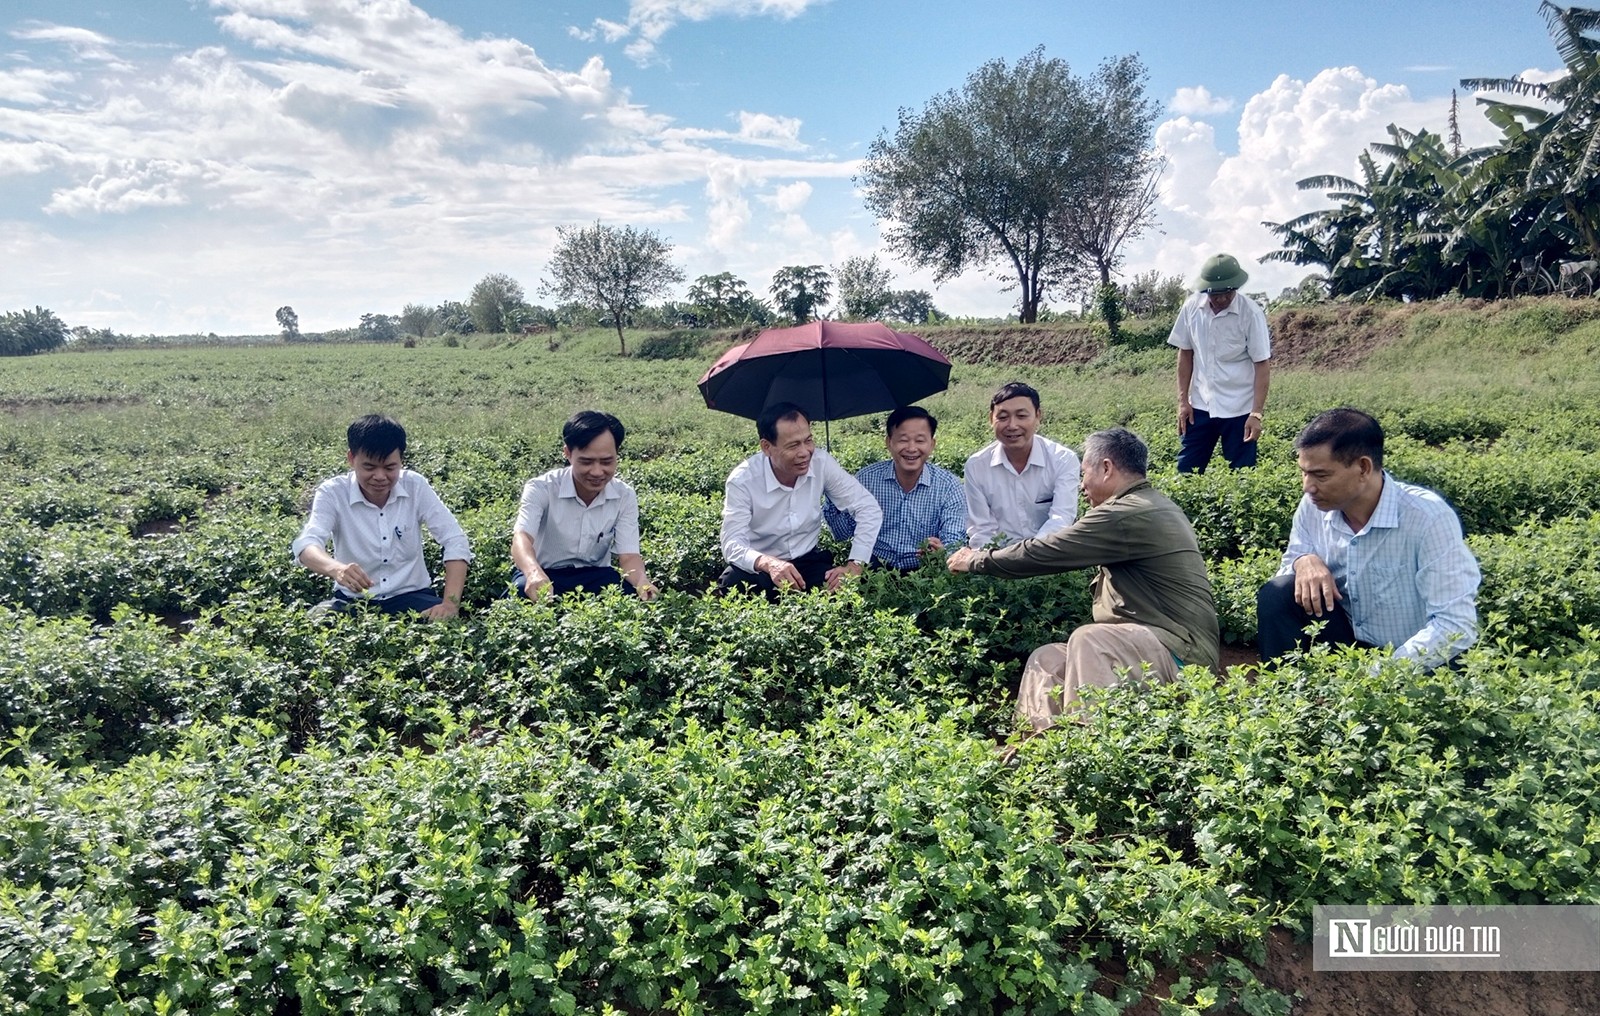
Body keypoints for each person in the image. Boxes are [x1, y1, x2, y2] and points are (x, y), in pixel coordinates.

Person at [948, 427, 1219, 728]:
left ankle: (1090, 750)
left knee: (1090, 639)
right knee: (1047, 659)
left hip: (1181, 655)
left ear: (1106, 468)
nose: (1081, 485)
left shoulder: (1125, 513)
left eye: (1084, 473)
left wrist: (978, 560)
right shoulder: (1144, 505)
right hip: (1148, 646)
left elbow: (1046, 552)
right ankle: (1041, 750)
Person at [1256, 408, 1479, 670]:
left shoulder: (1427, 518)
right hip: (1347, 644)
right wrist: (1303, 561)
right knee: (1278, 594)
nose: (1308, 486)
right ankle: (1283, 697)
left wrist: (1381, 674)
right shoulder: (1313, 506)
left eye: (1321, 475)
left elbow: (1455, 624)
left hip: (1414, 656)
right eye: (1304, 473)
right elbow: (1291, 564)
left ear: (1363, 468)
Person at [292, 414, 472, 617]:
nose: (379, 476)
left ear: (401, 461)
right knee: (315, 621)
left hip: (413, 598)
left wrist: (449, 605)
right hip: (355, 600)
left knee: (452, 628)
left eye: (389, 467)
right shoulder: (333, 492)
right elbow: (307, 544)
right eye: (369, 467)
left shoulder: (415, 486)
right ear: (351, 458)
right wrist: (337, 569)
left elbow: (455, 540)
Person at [718, 401, 884, 597]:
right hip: (763, 566)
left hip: (808, 561)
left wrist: (855, 564)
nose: (805, 452)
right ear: (767, 447)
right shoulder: (743, 480)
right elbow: (731, 543)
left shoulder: (821, 463)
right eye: (793, 445)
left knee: (848, 591)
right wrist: (769, 563)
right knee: (733, 585)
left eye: (808, 440)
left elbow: (868, 508)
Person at [511, 410, 658, 601]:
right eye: (587, 462)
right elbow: (521, 538)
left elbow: (628, 556)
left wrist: (642, 582)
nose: (597, 472)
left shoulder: (624, 495)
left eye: (607, 461)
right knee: (522, 590)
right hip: (546, 574)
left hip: (595, 576)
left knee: (630, 595)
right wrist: (533, 573)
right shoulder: (541, 488)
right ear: (568, 453)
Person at [822, 405, 967, 571]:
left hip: (925, 570)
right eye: (903, 440)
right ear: (889, 442)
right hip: (873, 568)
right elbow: (844, 534)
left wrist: (943, 551)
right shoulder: (866, 479)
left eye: (920, 440)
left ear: (932, 444)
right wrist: (833, 492)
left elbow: (955, 539)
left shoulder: (949, 486)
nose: (911, 448)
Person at [1167, 253, 1272, 472]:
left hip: (1240, 409)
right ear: (1205, 290)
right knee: (1186, 472)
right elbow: (1185, 353)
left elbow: (1261, 364)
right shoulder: (1191, 308)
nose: (1222, 299)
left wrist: (1256, 414)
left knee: (1242, 475)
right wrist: (1183, 401)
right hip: (1200, 406)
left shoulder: (1250, 313)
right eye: (1216, 294)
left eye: (1228, 293)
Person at [964, 381, 1081, 548]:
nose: (1012, 425)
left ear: (1038, 416)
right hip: (998, 562)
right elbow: (981, 529)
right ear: (991, 419)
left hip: (1049, 557)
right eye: (1003, 417)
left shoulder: (1062, 460)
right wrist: (992, 564)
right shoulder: (976, 466)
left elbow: (1061, 519)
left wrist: (1025, 557)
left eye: (1021, 416)